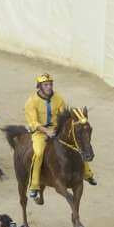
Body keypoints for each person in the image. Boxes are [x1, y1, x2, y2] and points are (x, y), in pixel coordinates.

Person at [23, 73, 95, 202]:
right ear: (39, 87)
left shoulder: (58, 98)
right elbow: (33, 122)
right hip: (40, 132)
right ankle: (34, 185)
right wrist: (46, 131)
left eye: (50, 84)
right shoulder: (31, 102)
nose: (49, 87)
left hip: (56, 130)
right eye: (46, 85)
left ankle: (87, 173)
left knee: (76, 145)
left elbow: (64, 116)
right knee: (38, 153)